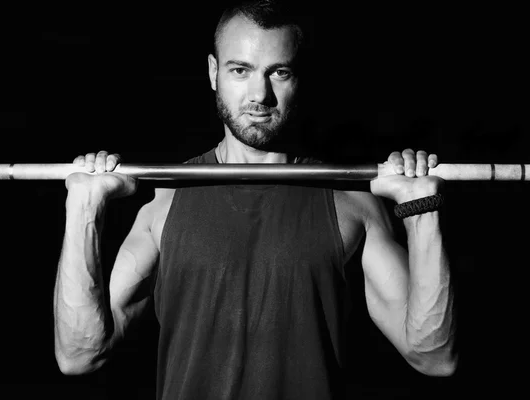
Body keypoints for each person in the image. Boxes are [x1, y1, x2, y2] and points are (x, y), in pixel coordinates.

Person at [53, 1, 457, 398]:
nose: (259, 94)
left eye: (278, 72)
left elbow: (434, 357)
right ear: (214, 73)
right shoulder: (166, 202)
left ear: (299, 78)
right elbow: (79, 355)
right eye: (240, 70)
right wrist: (83, 209)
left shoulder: (349, 203)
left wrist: (421, 211)